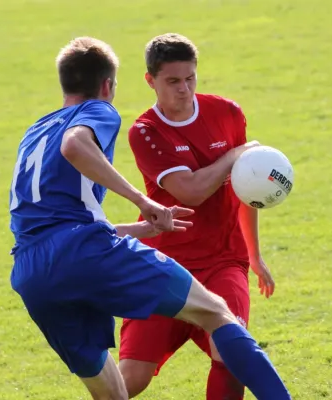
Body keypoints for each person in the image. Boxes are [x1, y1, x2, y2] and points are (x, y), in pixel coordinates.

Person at [8, 36, 292, 400]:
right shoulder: (100, 111)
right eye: (173, 80)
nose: (184, 88)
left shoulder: (33, 133)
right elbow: (75, 145)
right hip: (86, 251)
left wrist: (139, 228)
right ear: (109, 85)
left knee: (113, 395)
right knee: (217, 314)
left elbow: (50, 225)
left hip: (32, 273)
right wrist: (141, 200)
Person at [119, 33, 280, 400]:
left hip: (223, 261)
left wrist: (253, 256)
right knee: (130, 379)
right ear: (151, 81)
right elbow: (190, 191)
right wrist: (234, 154)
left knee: (231, 354)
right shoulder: (145, 132)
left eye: (190, 78)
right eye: (172, 81)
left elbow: (247, 191)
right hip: (163, 265)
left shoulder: (227, 113)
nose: (184, 89)